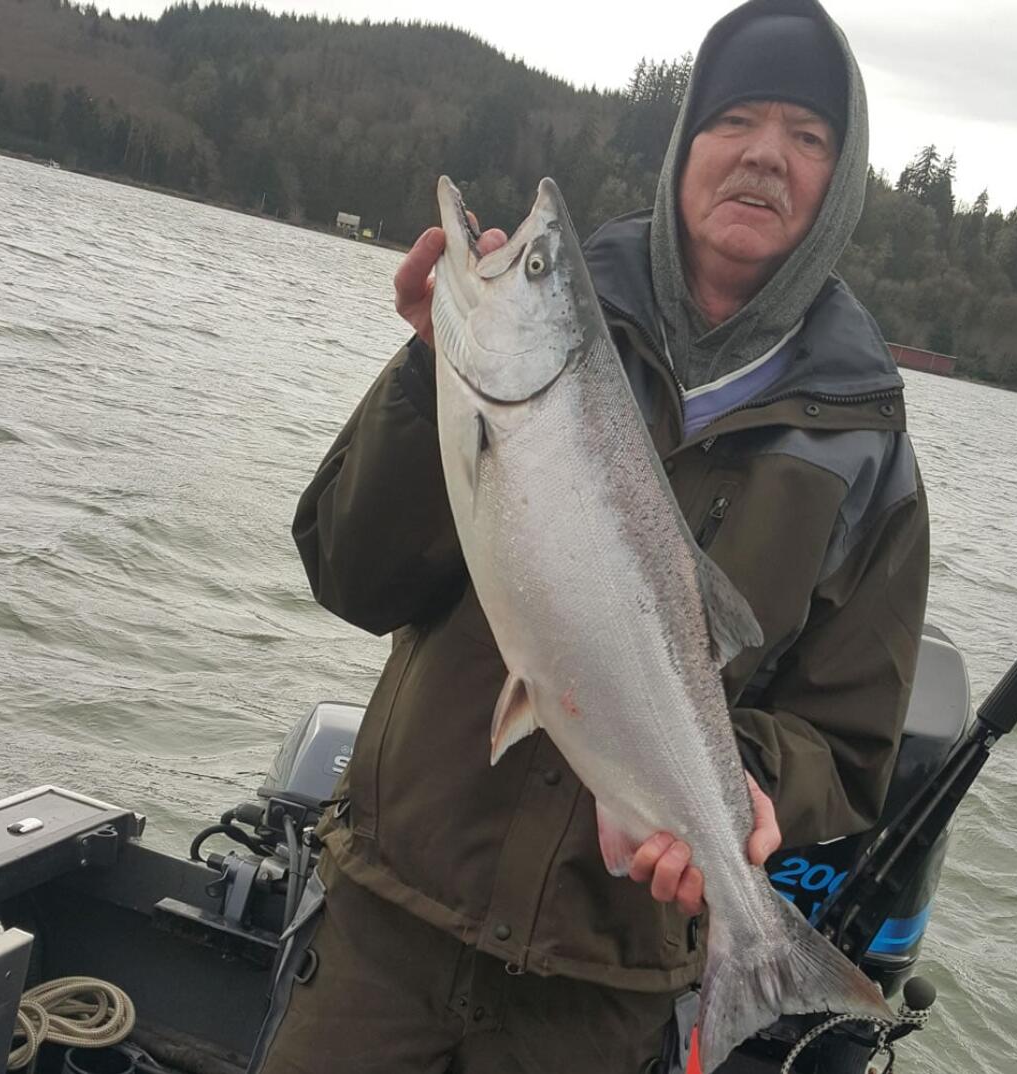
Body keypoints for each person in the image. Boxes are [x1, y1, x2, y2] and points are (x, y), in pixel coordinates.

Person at [249, 0, 928, 1071]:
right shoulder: (534, 340)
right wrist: (434, 372)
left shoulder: (865, 449)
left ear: (836, 180)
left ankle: (762, 957)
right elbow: (348, 572)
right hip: (389, 925)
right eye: (734, 119)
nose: (763, 155)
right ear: (685, 146)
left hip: (602, 998)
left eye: (805, 136)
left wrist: (738, 783)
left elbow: (847, 747)